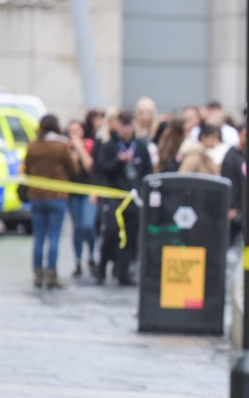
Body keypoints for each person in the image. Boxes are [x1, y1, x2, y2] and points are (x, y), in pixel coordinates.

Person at [94, 109, 152, 286]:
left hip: (133, 197)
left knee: (130, 235)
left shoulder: (140, 146)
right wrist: (118, 162)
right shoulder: (109, 146)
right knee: (111, 231)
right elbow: (102, 168)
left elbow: (147, 171)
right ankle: (102, 268)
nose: (126, 130)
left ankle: (123, 271)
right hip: (113, 196)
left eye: (129, 126)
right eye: (123, 126)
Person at [22, 115, 80, 288]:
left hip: (37, 196)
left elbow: (27, 169)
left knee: (38, 236)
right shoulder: (61, 146)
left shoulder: (32, 146)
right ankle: (52, 275)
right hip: (57, 197)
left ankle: (38, 274)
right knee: (54, 236)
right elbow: (73, 170)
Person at [64, 119, 97, 278]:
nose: (74, 134)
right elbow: (70, 171)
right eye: (71, 131)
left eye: (77, 130)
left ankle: (92, 254)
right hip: (72, 193)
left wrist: (80, 148)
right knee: (76, 227)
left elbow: (90, 166)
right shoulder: (65, 148)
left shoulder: (90, 144)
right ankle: (77, 260)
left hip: (88, 191)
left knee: (88, 225)